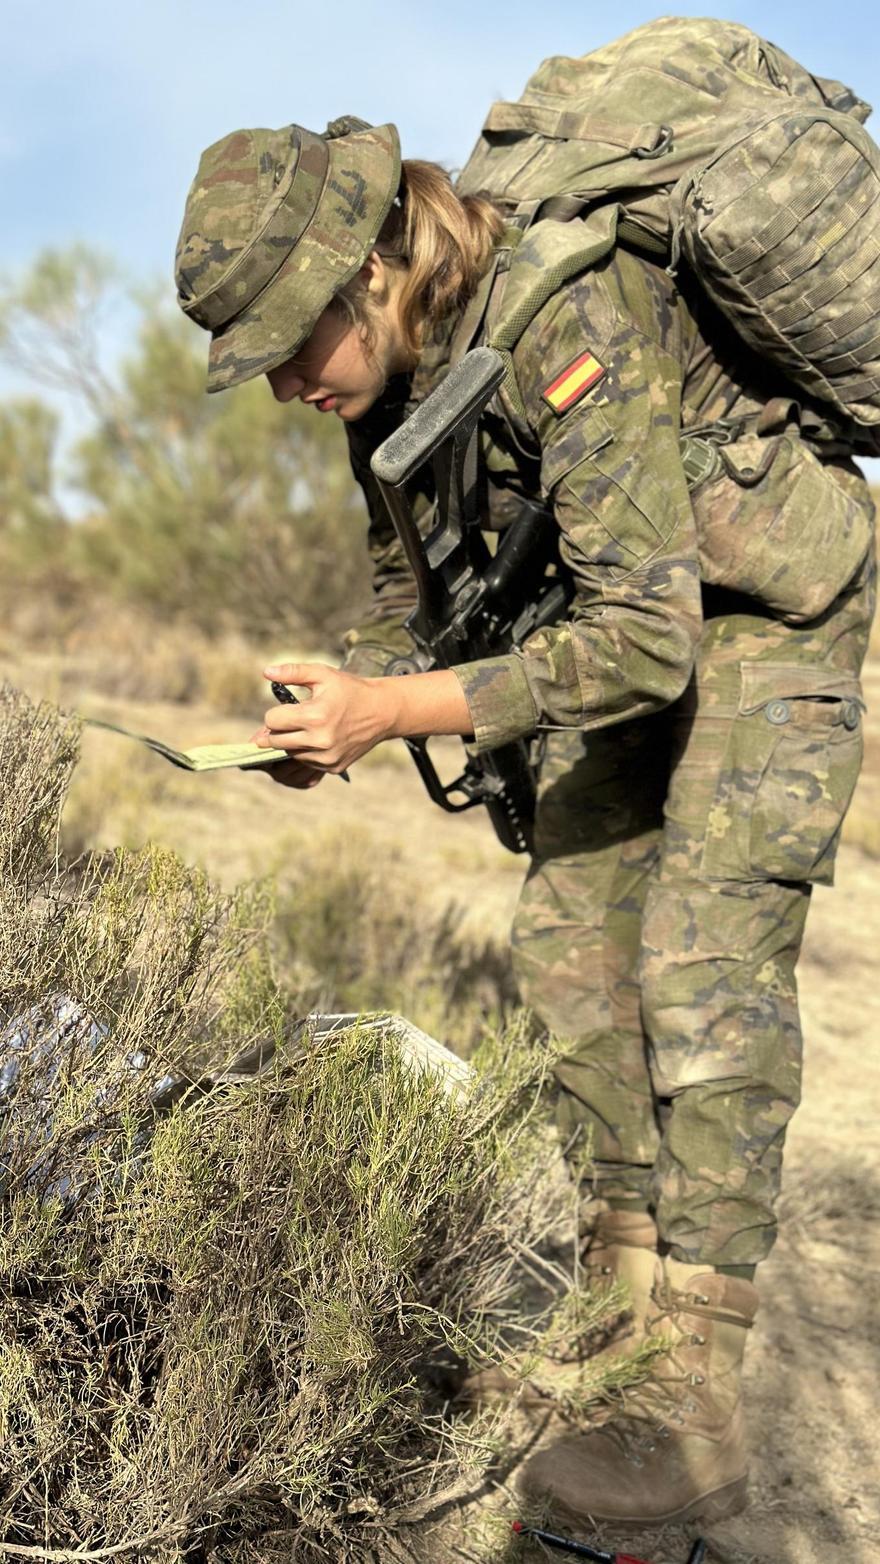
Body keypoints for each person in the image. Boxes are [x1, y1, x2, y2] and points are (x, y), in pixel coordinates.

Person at [174, 115, 875, 1528]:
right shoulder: (384, 390)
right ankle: (618, 1327)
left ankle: (693, 1401)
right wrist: (340, 714)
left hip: (761, 612)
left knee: (701, 959)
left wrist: (400, 709)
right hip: (615, 626)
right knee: (567, 945)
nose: (286, 388)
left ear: (370, 272)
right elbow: (415, 597)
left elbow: (649, 641)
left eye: (292, 345)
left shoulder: (564, 309)